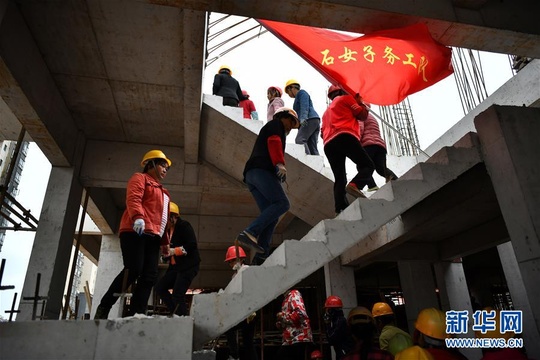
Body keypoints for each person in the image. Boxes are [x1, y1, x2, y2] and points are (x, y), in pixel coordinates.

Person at [94, 150, 172, 319]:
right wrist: (138, 217)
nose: (165, 170)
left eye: (167, 167)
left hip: (153, 236)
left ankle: (136, 313)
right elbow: (133, 198)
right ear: (150, 164)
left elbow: (163, 220)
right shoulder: (140, 178)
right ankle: (104, 306)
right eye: (162, 165)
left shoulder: (165, 193)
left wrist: (165, 242)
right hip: (135, 230)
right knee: (134, 269)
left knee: (150, 275)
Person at [235, 107, 301, 265]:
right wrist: (279, 163)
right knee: (282, 203)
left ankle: (262, 253)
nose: (291, 127)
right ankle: (250, 232)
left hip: (252, 175)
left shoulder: (275, 127)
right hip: (260, 171)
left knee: (271, 213)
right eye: (291, 122)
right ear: (282, 117)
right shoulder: (275, 125)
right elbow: (274, 142)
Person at [321, 85, 375, 215]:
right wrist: (363, 103)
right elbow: (362, 115)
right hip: (345, 135)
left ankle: (340, 208)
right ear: (341, 90)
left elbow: (322, 133)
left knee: (339, 178)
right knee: (367, 165)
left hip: (328, 144)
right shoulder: (346, 99)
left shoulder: (326, 113)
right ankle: (355, 185)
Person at [154, 202, 201, 316]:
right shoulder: (167, 232)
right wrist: (165, 256)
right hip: (175, 267)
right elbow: (169, 250)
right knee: (160, 288)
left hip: (188, 266)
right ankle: (175, 312)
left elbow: (191, 245)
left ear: (174, 217)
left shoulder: (184, 226)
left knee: (177, 294)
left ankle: (183, 319)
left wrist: (174, 251)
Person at [223, 246, 258, 360]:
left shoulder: (247, 270)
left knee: (246, 341)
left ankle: (234, 355)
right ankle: (235, 355)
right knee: (247, 342)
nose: (230, 264)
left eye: (232, 260)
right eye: (229, 262)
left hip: (249, 312)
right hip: (242, 311)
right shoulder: (234, 276)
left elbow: (252, 289)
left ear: (240, 259)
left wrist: (252, 308)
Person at [358, 105, 398, 191]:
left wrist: (356, 141)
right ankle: (397, 182)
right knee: (381, 168)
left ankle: (372, 186)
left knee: (362, 166)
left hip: (368, 144)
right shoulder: (371, 117)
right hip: (380, 145)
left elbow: (360, 129)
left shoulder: (361, 115)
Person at [285, 79, 321, 155]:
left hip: (309, 119)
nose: (289, 95)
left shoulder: (301, 93)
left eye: (288, 92)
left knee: (300, 140)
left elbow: (304, 105)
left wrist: (303, 118)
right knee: (311, 146)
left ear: (292, 88)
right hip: (314, 120)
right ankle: (317, 165)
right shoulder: (300, 95)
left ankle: (309, 162)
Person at [275, 289, 314, 360]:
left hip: (299, 338)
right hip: (291, 339)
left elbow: (300, 314)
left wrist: (283, 316)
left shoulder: (293, 294)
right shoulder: (287, 297)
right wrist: (282, 323)